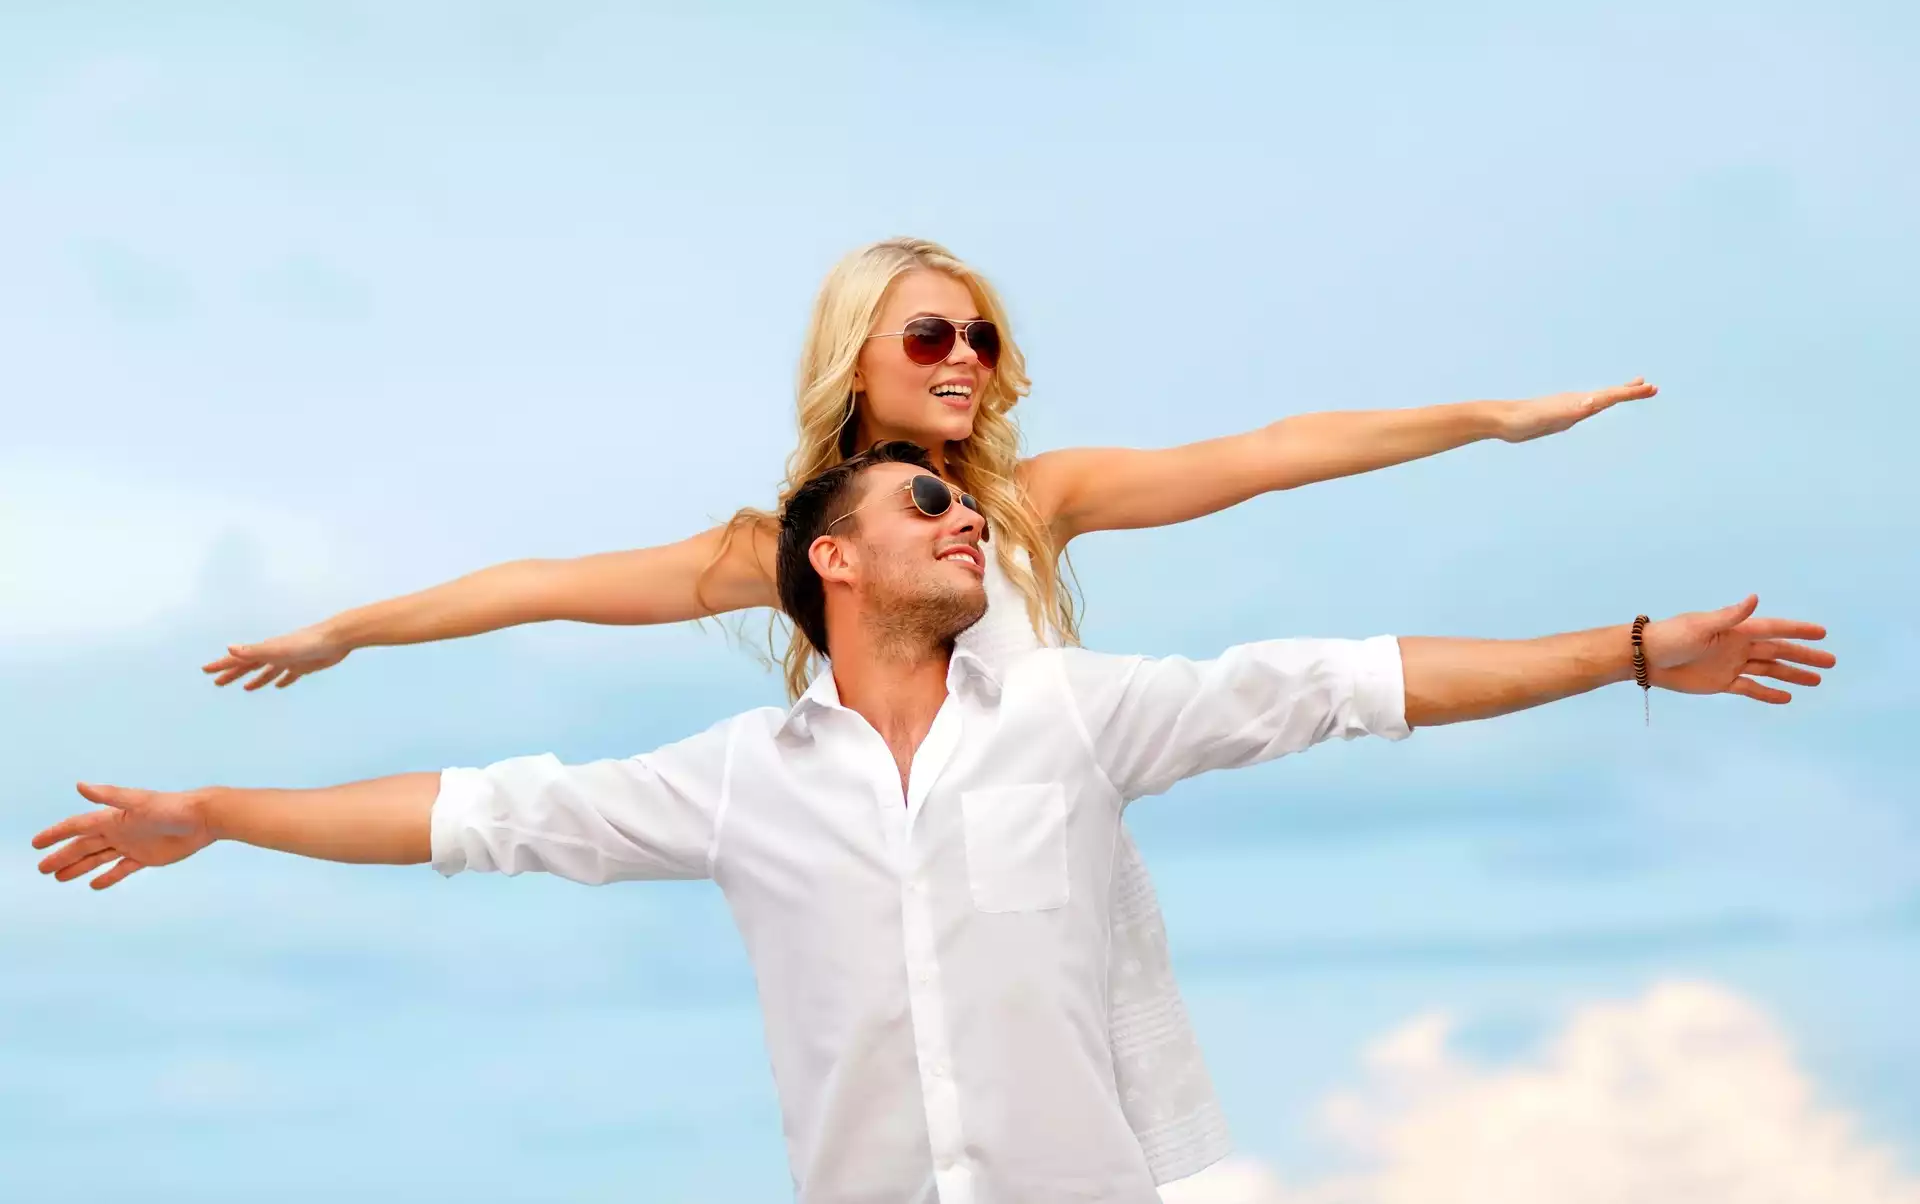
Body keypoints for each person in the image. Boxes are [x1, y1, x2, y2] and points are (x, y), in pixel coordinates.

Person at [196, 238, 1659, 1180]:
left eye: (983, 337)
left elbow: (1272, 451)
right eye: (930, 336)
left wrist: (1492, 421)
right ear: (859, 358)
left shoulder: (1029, 503)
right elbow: (543, 586)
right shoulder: (786, 545)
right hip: (892, 865)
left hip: (1054, 861)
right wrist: (348, 630)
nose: (966, 357)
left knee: (1132, 1138)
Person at [39, 442, 1832, 1204]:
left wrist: (1627, 650)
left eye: (972, 509)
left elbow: (1350, 680)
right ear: (831, 559)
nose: (971, 519)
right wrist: (223, 811)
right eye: (926, 507)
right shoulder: (739, 776)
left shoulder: (1079, 715)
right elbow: (474, 812)